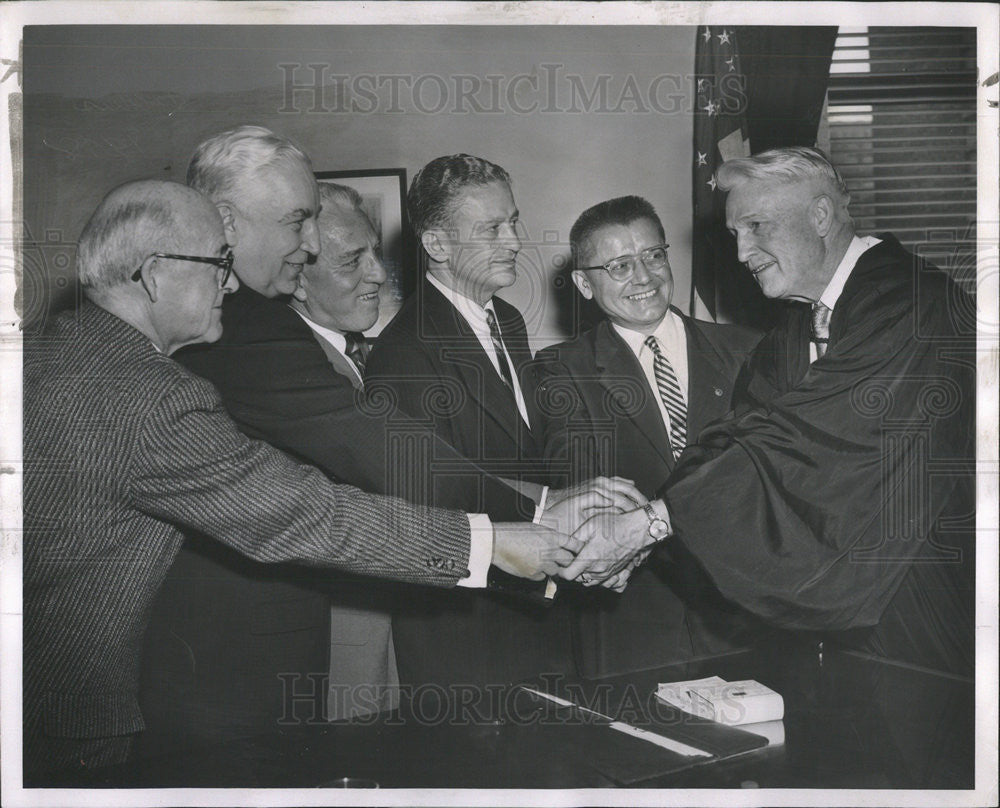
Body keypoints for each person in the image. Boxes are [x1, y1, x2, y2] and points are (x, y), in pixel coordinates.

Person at [22, 179, 575, 781]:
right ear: (156, 274)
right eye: (219, 264)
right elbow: (307, 515)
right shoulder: (150, 395)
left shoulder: (53, 350)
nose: (231, 285)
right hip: (66, 722)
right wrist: (492, 545)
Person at [141, 128, 633, 747]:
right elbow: (370, 456)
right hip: (232, 655)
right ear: (228, 223)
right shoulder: (245, 327)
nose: (311, 244)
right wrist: (538, 508)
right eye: (298, 222)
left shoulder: (244, 321)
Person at [563, 147, 976, 677]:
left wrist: (650, 525)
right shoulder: (794, 329)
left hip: (922, 605)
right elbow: (734, 437)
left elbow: (810, 442)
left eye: (756, 226)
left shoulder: (914, 305)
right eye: (736, 233)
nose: (741, 253)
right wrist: (640, 537)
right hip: (839, 624)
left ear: (821, 215)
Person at [365, 154, 575, 688]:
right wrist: (559, 515)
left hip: (536, 608)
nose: (514, 242)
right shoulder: (403, 352)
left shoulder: (504, 318)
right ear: (437, 245)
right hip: (467, 634)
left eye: (513, 221)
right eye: (491, 230)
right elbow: (425, 505)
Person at [533, 195, 763, 677]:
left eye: (653, 255)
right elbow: (582, 483)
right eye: (619, 265)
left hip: (744, 610)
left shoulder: (748, 351)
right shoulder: (561, 371)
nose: (644, 277)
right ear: (583, 284)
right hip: (630, 619)